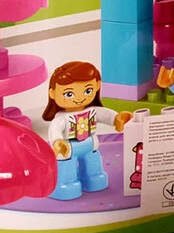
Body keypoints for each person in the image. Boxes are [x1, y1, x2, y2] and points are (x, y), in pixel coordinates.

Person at [42, 61, 132, 199]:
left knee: (92, 163)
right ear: (53, 94)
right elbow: (55, 130)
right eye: (69, 94)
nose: (79, 98)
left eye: (87, 91)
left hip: (90, 145)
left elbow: (106, 115)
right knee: (67, 166)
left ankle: (93, 177)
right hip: (68, 148)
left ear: (97, 85)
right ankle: (66, 183)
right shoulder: (61, 119)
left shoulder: (92, 111)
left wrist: (117, 119)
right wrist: (57, 142)